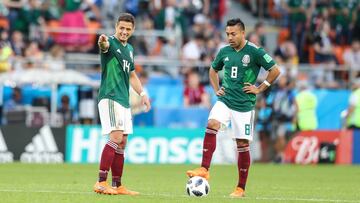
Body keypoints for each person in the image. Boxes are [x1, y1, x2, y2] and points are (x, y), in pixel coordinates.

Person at [186, 18, 280, 197]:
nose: (229, 37)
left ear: (243, 33)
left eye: (233, 34)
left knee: (242, 144)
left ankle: (240, 188)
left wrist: (260, 88)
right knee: (212, 123)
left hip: (244, 106)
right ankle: (204, 169)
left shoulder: (255, 51)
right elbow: (213, 70)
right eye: (227, 34)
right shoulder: (224, 52)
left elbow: (275, 70)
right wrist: (216, 89)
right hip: (225, 100)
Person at [93, 13, 151, 195]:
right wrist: (102, 42)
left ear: (132, 30)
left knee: (123, 142)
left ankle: (118, 185)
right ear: (116, 27)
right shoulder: (110, 43)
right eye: (121, 28)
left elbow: (132, 75)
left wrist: (142, 93)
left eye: (128, 29)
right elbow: (103, 45)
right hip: (110, 96)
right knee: (116, 136)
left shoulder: (130, 49)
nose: (124, 31)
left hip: (124, 100)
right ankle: (101, 182)